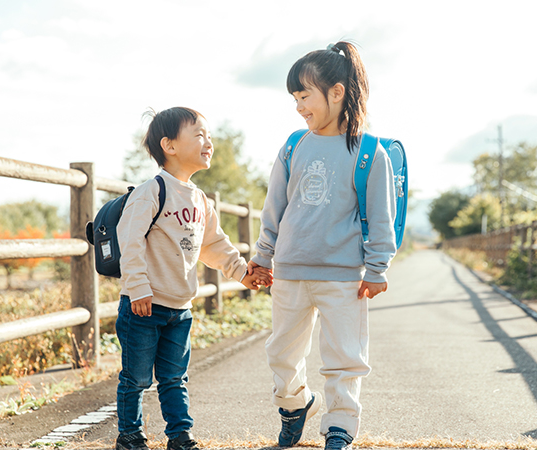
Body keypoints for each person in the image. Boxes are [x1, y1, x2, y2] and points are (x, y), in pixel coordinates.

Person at [248, 41, 397, 450]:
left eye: (304, 96)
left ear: (336, 92)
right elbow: (274, 207)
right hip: (290, 271)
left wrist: (378, 269)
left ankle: (340, 426)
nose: (298, 106)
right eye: (295, 97)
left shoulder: (369, 151)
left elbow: (381, 216)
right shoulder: (294, 145)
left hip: (344, 276)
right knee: (281, 352)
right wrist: (262, 258)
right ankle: (295, 404)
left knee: (344, 357)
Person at [115, 106, 272, 450]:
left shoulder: (200, 199)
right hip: (143, 305)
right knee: (137, 377)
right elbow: (130, 243)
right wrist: (138, 287)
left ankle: (180, 436)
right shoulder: (151, 191)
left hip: (179, 307)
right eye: (199, 135)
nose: (208, 142)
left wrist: (242, 273)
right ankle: (129, 435)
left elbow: (214, 244)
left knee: (174, 377)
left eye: (209, 136)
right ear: (169, 146)